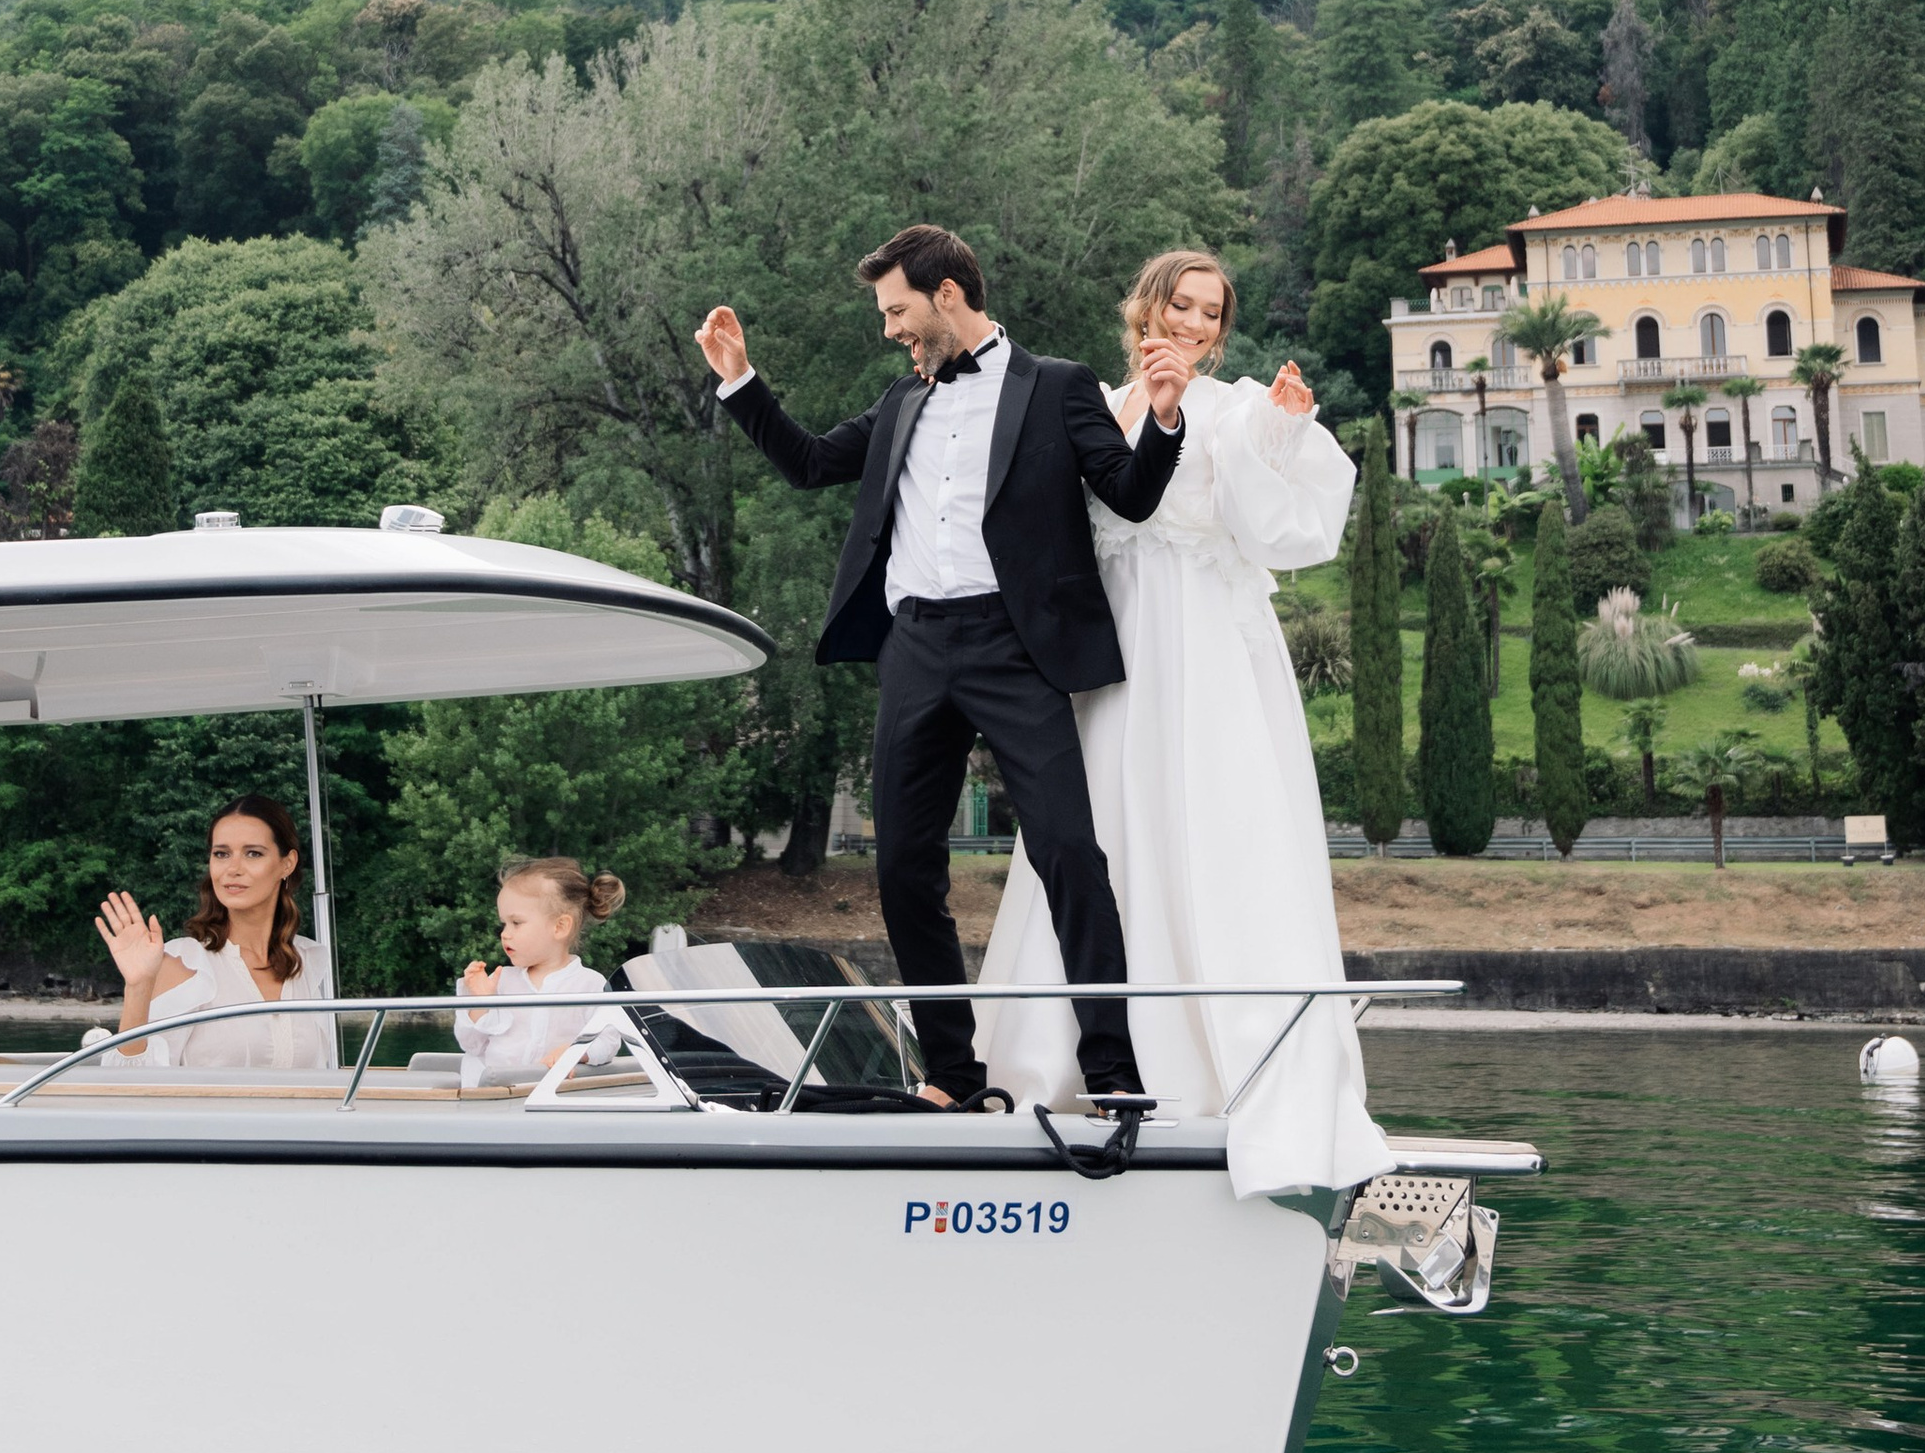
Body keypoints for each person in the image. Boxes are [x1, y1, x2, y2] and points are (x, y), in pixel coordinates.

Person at [697, 222, 1191, 1108]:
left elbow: (1132, 492)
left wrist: (1161, 419)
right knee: (903, 871)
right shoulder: (900, 404)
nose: (889, 327)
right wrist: (738, 377)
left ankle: (1114, 1072)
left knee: (1070, 853)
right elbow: (809, 463)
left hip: (1015, 647)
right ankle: (956, 1077)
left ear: (948, 294)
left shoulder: (1058, 387)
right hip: (916, 647)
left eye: (896, 309)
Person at [973, 249, 1388, 1198]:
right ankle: (1069, 1065)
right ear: (1147, 306)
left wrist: (1281, 431)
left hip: (1201, 652)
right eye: (1183, 304)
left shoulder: (1234, 407)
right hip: (1112, 659)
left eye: (1213, 312)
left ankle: (1215, 1068)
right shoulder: (1100, 407)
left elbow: (1285, 528)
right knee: (1099, 840)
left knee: (1213, 831)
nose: (1197, 324)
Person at [94, 797, 337, 1075]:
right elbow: (128, 1080)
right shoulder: (185, 964)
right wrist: (138, 987)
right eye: (221, 854)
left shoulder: (307, 961)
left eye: (253, 853)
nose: (233, 869)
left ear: (287, 864)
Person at [454, 859, 625, 1090]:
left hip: (549, 1098)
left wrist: (576, 1050)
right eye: (504, 924)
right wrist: (480, 1001)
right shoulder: (501, 982)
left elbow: (609, 1041)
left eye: (516, 923)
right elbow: (471, 1045)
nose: (505, 934)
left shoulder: (591, 985)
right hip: (491, 1096)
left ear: (560, 927)